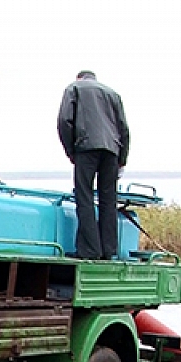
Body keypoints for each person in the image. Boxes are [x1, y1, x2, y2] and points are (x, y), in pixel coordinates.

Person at [57, 70, 130, 260]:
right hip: (112, 150)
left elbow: (64, 121)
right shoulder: (112, 93)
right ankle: (109, 250)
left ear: (78, 77)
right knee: (108, 199)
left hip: (86, 147)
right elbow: (124, 128)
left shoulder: (74, 88)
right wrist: (122, 158)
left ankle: (90, 250)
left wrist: (71, 151)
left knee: (84, 196)